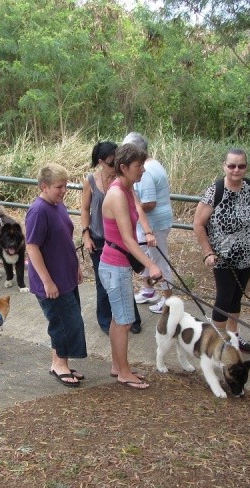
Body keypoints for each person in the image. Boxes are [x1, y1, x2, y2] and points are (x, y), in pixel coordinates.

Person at [98, 143, 161, 390]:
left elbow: (138, 216)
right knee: (124, 321)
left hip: (116, 264)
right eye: (138, 166)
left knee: (118, 319)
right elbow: (126, 238)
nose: (143, 170)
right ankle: (124, 372)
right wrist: (150, 265)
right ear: (123, 167)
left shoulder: (126, 188)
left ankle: (118, 366)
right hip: (115, 265)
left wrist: (147, 230)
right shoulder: (116, 194)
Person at [192, 148, 250, 354]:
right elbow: (198, 223)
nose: (236, 170)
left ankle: (234, 337)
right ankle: (216, 341)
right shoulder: (215, 191)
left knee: (236, 298)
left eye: (241, 166)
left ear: (246, 167)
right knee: (224, 299)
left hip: (248, 256)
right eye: (231, 165)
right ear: (224, 166)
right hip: (224, 258)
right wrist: (208, 252)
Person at [26, 163, 87, 388]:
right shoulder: (38, 211)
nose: (63, 191)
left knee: (69, 320)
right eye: (59, 187)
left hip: (66, 275)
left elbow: (65, 239)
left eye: (65, 186)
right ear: (44, 187)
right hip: (52, 281)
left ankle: (59, 362)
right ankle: (60, 365)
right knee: (65, 323)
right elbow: (32, 247)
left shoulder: (58, 205)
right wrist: (47, 281)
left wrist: (76, 266)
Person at [80, 141, 142, 335]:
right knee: (103, 282)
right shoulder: (91, 181)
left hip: (120, 242)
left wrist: (147, 231)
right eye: (110, 163)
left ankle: (132, 319)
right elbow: (84, 209)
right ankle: (106, 320)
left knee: (124, 279)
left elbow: (137, 206)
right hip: (99, 238)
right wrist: (86, 234)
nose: (114, 166)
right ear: (100, 162)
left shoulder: (123, 183)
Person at [123, 132, 174, 315]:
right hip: (152, 223)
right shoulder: (152, 164)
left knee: (159, 261)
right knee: (145, 257)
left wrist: (125, 209)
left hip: (154, 225)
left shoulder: (144, 171)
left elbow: (150, 203)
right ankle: (148, 290)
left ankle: (169, 301)